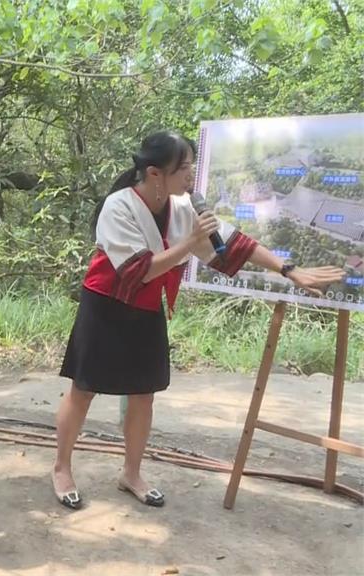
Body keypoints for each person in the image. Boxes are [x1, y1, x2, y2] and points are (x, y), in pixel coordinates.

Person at [52, 131, 345, 510]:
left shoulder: (183, 208)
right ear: (155, 174)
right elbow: (139, 270)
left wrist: (290, 270)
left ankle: (132, 472)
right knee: (84, 389)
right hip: (106, 303)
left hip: (146, 307)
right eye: (184, 167)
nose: (191, 175)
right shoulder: (118, 206)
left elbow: (236, 243)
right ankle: (62, 468)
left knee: (144, 393)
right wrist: (190, 244)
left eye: (192, 165)